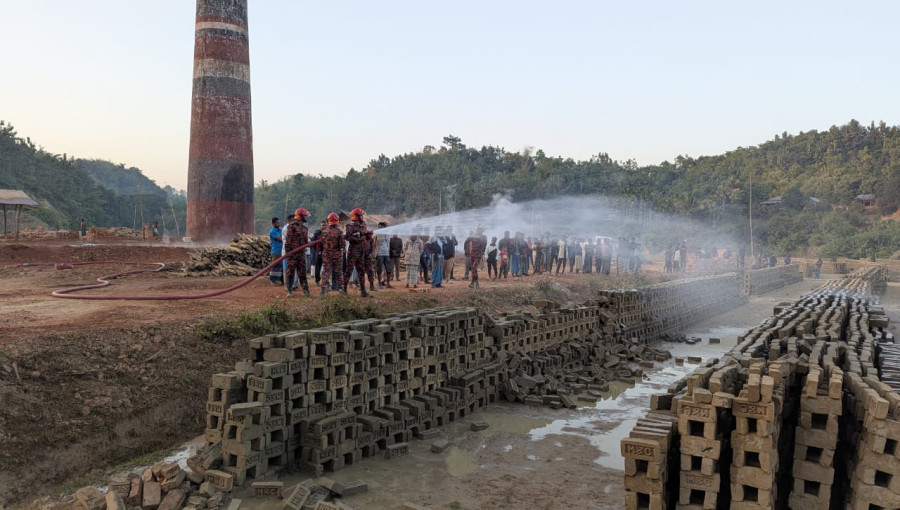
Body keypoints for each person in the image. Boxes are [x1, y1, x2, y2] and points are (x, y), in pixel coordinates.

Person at [343, 208, 370, 297]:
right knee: (348, 271)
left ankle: (363, 291)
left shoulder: (363, 226)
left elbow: (365, 237)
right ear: (357, 216)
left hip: (361, 252)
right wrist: (359, 239)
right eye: (361, 215)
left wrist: (367, 236)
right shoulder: (350, 226)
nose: (363, 217)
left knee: (361, 271)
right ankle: (344, 291)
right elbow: (347, 237)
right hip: (353, 253)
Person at [284, 208, 311, 297]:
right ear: (301, 216)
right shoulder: (292, 227)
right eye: (305, 216)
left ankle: (306, 292)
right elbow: (288, 241)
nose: (306, 218)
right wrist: (288, 253)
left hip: (301, 255)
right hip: (292, 254)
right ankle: (289, 291)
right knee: (290, 273)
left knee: (302, 273)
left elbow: (306, 242)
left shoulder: (305, 229)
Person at [319, 213, 344, 295]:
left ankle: (322, 291)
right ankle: (341, 290)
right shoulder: (339, 232)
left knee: (326, 272)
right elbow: (342, 245)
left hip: (326, 254)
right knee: (339, 272)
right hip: (336, 255)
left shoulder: (324, 232)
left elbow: (322, 243)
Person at [374, 222, 393, 289]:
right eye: (378, 227)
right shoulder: (376, 234)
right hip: (379, 253)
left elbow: (389, 244)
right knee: (379, 269)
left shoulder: (387, 234)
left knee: (388, 269)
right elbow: (374, 245)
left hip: (386, 254)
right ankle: (379, 283)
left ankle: (388, 284)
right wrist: (374, 254)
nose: (379, 228)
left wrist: (389, 252)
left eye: (380, 227)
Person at [469, 225, 487, 289]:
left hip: (478, 255)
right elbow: (469, 243)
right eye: (478, 230)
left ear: (482, 231)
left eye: (480, 230)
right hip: (472, 254)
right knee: (473, 269)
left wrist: (482, 254)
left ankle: (475, 282)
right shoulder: (473, 236)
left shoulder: (484, 237)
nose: (478, 231)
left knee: (474, 267)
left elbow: (484, 246)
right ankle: (474, 282)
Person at [268, 217, 284, 285]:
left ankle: (281, 280)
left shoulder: (280, 230)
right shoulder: (272, 231)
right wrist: (285, 238)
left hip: (282, 250)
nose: (278, 224)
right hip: (276, 251)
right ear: (273, 223)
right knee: (275, 265)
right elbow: (280, 239)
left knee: (281, 266)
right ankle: (273, 280)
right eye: (277, 223)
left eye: (279, 222)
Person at [311, 221, 325, 285]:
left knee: (326, 267)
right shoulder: (317, 233)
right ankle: (317, 281)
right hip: (319, 252)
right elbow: (313, 242)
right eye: (323, 225)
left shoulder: (328, 232)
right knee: (318, 267)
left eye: (325, 225)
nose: (324, 227)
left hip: (326, 253)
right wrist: (316, 250)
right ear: (321, 226)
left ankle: (325, 281)